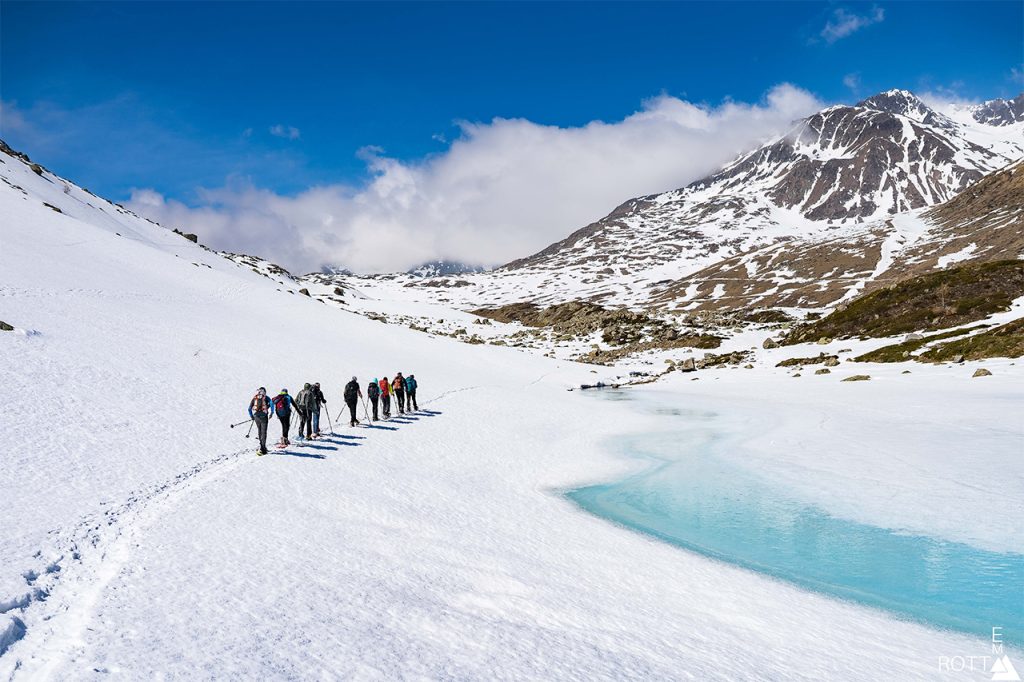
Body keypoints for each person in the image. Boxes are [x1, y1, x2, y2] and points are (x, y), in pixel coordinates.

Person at [248, 387, 273, 455]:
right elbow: (272, 404)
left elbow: (249, 408)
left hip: (256, 416)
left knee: (259, 430)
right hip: (264, 417)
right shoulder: (266, 397)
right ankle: (263, 448)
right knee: (264, 432)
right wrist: (271, 413)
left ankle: (262, 446)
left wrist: (251, 416)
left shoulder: (255, 398)